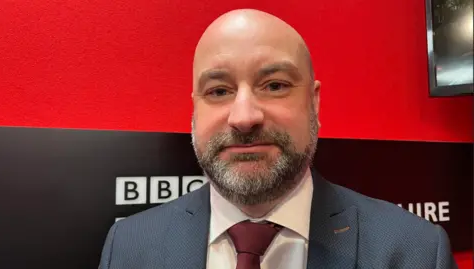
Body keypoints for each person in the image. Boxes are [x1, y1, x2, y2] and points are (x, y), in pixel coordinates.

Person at [99, 9, 457, 269]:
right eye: (219, 90)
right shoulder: (129, 248)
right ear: (194, 109)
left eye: (274, 86)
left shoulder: (416, 252)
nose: (243, 117)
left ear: (313, 102)